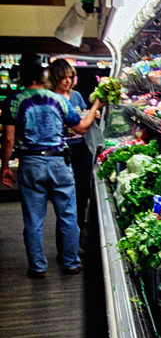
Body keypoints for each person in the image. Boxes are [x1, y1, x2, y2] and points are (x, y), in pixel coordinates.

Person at [0, 54, 104, 279]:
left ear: (20, 76)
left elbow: (8, 139)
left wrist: (5, 167)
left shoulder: (13, 101)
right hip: (59, 162)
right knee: (68, 214)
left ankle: (37, 267)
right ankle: (71, 263)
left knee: (33, 219)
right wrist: (97, 103)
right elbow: (82, 128)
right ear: (43, 75)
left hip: (30, 163)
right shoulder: (58, 100)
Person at [48, 58, 95, 254]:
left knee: (82, 197)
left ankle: (76, 241)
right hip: (62, 153)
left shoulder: (75, 96)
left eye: (70, 77)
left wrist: (92, 115)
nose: (67, 81)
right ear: (54, 78)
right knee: (65, 201)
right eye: (63, 77)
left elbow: (84, 117)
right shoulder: (50, 99)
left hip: (81, 150)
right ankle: (65, 248)